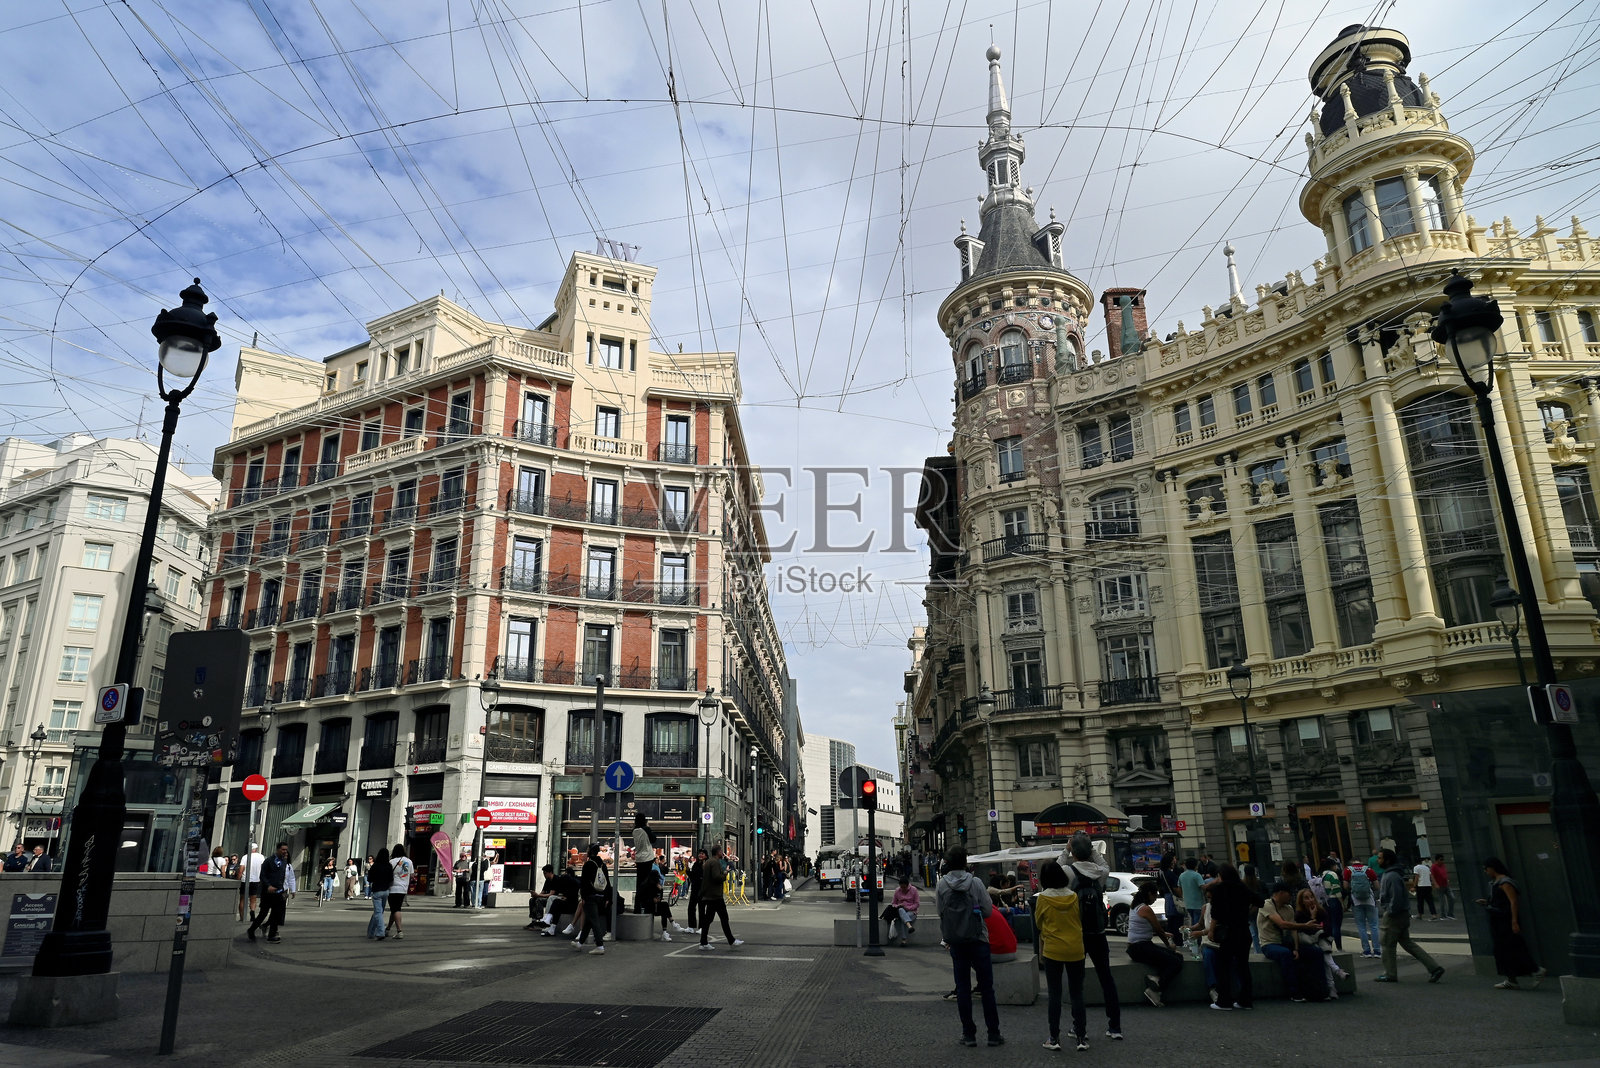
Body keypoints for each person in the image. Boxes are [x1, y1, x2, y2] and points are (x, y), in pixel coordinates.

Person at [936, 846, 1003, 1047]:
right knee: (987, 988)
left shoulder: (942, 885)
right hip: (978, 938)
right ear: (965, 862)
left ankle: (969, 1034)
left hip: (956, 940)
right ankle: (993, 1034)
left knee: (963, 988)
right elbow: (988, 911)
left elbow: (941, 912)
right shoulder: (976, 883)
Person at [1061, 836, 1121, 1040]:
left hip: (1077, 932)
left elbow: (1054, 871)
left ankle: (1079, 1029)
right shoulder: (1100, 873)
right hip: (1098, 932)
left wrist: (1066, 851)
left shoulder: (1068, 872)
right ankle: (1115, 1027)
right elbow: (1104, 864)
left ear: (1074, 852)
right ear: (1090, 852)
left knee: (1076, 983)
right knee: (1107, 979)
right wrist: (1092, 849)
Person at [1034, 859, 1087, 1051]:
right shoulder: (1073, 896)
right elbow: (1078, 918)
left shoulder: (1043, 898)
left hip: (1053, 949)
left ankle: (1054, 1038)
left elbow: (1039, 923)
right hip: (1075, 948)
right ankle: (1081, 1037)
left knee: (1054, 994)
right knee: (1077, 993)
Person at [1375, 848, 1444, 984]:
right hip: (1402, 914)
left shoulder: (1391, 876)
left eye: (1380, 858)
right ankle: (1434, 967)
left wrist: (1390, 910)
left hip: (1395, 915)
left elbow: (1396, 897)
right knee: (1407, 943)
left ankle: (1390, 973)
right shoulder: (1394, 874)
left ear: (1387, 860)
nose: (1378, 860)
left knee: (1387, 944)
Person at [1477, 857, 1547, 989]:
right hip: (1497, 919)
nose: (1485, 871)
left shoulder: (1505, 882)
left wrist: (1514, 921)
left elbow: (1513, 902)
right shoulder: (1495, 883)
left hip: (1505, 919)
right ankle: (1511, 979)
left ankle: (1536, 970)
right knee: (1503, 949)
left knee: (1512, 947)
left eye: (1486, 868)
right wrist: (1487, 903)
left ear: (1492, 867)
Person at [1257, 882, 1324, 1001]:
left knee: (1316, 952)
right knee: (1285, 954)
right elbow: (1282, 924)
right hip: (1269, 944)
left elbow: (1293, 930)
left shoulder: (1289, 909)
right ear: (1281, 893)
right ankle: (1294, 992)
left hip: (1286, 943)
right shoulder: (1266, 905)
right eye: (1289, 894)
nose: (1291, 897)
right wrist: (1304, 926)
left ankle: (1320, 990)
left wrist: (1296, 948)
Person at [1207, 864, 1259, 1011]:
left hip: (1228, 931)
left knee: (1223, 966)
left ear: (1221, 876)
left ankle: (1224, 1001)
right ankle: (1245, 1000)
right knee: (1243, 966)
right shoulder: (1242, 888)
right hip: (1243, 930)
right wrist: (1245, 912)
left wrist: (1211, 931)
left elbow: (1215, 913)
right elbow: (1259, 901)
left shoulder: (1219, 889)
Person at [1125, 883, 1182, 1007]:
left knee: (1177, 957)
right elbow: (1158, 930)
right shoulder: (1145, 908)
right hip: (1140, 947)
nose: (1156, 898)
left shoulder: (1135, 905)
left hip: (1137, 947)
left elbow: (1143, 927)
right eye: (1155, 895)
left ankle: (1156, 979)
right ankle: (1156, 989)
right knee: (1175, 961)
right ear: (1149, 894)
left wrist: (1165, 934)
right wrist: (1168, 945)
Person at [1295, 887, 1348, 998]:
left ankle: (1332, 986)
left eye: (1311, 897)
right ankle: (1337, 972)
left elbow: (1328, 928)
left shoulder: (1321, 911)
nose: (1310, 900)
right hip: (1309, 942)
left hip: (1322, 939)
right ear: (1301, 901)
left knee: (1324, 955)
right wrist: (1313, 917)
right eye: (1306, 898)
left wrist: (1319, 930)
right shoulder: (1299, 914)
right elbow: (1306, 930)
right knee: (1323, 952)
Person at [697, 844, 741, 950]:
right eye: (721, 851)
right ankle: (731, 940)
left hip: (710, 895)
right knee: (724, 918)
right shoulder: (714, 862)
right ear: (718, 852)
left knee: (709, 919)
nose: (723, 853)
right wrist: (725, 873)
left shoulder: (708, 862)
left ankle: (703, 942)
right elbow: (716, 877)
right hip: (715, 895)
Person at [248, 842, 291, 943]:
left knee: (276, 914)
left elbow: (283, 877)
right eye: (283, 849)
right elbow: (262, 875)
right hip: (268, 892)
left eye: (286, 849)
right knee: (263, 913)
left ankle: (272, 935)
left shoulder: (284, 862)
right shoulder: (268, 861)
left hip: (279, 892)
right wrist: (268, 886)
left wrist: (284, 890)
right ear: (278, 849)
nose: (285, 851)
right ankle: (251, 930)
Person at [575, 841, 611, 955]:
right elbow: (607, 882)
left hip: (590, 896)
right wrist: (607, 898)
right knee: (589, 920)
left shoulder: (588, 865)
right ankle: (579, 943)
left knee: (594, 921)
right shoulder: (603, 865)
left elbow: (584, 882)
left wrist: (583, 897)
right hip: (601, 896)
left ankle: (600, 946)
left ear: (590, 852)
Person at [1346, 857, 1380, 958]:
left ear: (1352, 862)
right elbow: (1377, 886)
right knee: (1374, 926)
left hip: (1356, 901)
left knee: (1361, 926)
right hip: (1369, 900)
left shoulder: (1348, 870)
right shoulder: (1368, 870)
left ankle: (1366, 951)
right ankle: (1377, 951)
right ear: (1361, 862)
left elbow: (1345, 886)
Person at [542, 864, 581, 936]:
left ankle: (549, 919)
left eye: (566, 873)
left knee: (556, 902)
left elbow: (574, 896)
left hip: (575, 905)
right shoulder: (569, 882)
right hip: (570, 903)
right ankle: (551, 926)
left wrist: (566, 897)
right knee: (557, 903)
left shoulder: (575, 882)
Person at [386, 844, 415, 939]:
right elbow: (412, 876)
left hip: (392, 888)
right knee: (394, 909)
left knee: (395, 909)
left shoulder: (391, 862)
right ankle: (388, 929)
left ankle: (399, 931)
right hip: (403, 888)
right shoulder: (409, 861)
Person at [366, 850, 393, 939]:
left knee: (378, 912)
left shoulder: (375, 866)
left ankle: (381, 932)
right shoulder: (389, 866)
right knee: (379, 912)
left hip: (377, 890)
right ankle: (370, 932)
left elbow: (369, 879)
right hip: (386, 891)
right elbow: (391, 879)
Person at [1319, 861, 1345, 951]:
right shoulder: (1332, 874)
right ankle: (1339, 947)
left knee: (1330, 924)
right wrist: (1342, 902)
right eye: (1335, 865)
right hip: (1334, 900)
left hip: (1326, 901)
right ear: (1331, 866)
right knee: (1336, 925)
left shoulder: (1322, 876)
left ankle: (1329, 944)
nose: (1337, 867)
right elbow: (1336, 890)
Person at [1241, 863, 1266, 955]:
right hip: (1260, 911)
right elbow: (1265, 897)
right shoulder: (1260, 884)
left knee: (1254, 933)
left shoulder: (1243, 884)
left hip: (1249, 912)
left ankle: (1257, 951)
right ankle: (1263, 948)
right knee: (1262, 932)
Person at [888, 875, 920, 946]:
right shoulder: (897, 891)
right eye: (901, 887)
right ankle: (909, 927)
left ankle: (904, 940)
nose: (903, 889)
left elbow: (917, 904)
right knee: (901, 910)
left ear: (907, 885)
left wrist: (908, 907)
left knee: (903, 919)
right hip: (901, 910)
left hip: (912, 912)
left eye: (904, 887)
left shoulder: (914, 890)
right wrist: (898, 906)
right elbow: (893, 903)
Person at [631, 815, 653, 913]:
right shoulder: (646, 829)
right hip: (647, 858)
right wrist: (648, 826)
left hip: (639, 859)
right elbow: (653, 839)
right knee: (646, 883)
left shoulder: (634, 831)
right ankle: (645, 905)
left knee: (639, 884)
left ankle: (637, 907)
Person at [241, 844, 265, 923]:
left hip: (245, 879)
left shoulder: (245, 857)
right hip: (256, 880)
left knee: (242, 899)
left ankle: (242, 917)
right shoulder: (261, 857)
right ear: (256, 849)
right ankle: (252, 911)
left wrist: (238, 878)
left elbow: (241, 869)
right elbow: (263, 868)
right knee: (253, 898)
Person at [528, 864, 556, 930]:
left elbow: (551, 894)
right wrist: (536, 895)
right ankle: (534, 921)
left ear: (550, 872)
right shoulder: (547, 880)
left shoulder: (555, 879)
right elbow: (543, 892)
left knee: (539, 900)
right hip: (546, 897)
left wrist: (538, 896)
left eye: (545, 873)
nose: (544, 875)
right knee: (532, 900)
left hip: (552, 899)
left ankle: (540, 920)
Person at [1178, 857, 1205, 925]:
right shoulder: (1197, 875)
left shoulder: (1181, 875)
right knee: (1197, 923)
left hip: (1187, 903)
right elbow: (1203, 887)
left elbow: (1179, 889)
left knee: (1191, 922)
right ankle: (1196, 935)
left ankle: (1193, 934)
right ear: (1195, 865)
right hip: (1197, 904)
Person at [1431, 855, 1456, 920]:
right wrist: (1435, 884)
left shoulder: (1443, 865)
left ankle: (1450, 914)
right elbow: (1432, 876)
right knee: (1442, 901)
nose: (1442, 861)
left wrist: (1447, 879)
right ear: (1437, 860)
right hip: (1440, 886)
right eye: (1441, 859)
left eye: (1443, 859)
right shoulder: (1434, 866)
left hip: (1446, 885)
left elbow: (1444, 873)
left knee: (1452, 898)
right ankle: (1443, 915)